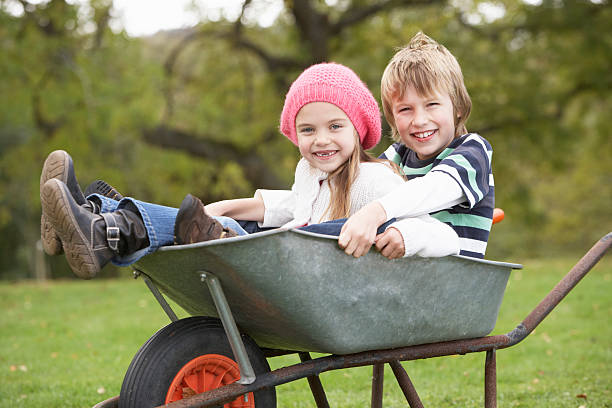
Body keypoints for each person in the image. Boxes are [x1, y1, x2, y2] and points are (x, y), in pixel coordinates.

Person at [40, 62, 459, 280]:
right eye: (307, 130)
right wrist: (226, 206)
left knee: (226, 236)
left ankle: (107, 226)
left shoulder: (376, 181)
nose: (321, 140)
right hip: (297, 274)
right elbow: (290, 206)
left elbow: (445, 235)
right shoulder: (310, 174)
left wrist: (404, 234)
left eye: (335, 127)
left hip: (316, 285)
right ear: (294, 135)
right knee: (211, 223)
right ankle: (99, 221)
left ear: (359, 130)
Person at [337, 32, 495, 260]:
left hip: (450, 281)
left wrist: (376, 213)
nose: (419, 120)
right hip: (398, 280)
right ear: (392, 116)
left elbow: (434, 188)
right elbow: (357, 187)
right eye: (405, 109)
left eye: (432, 104)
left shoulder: (473, 152)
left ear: (458, 107)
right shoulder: (395, 156)